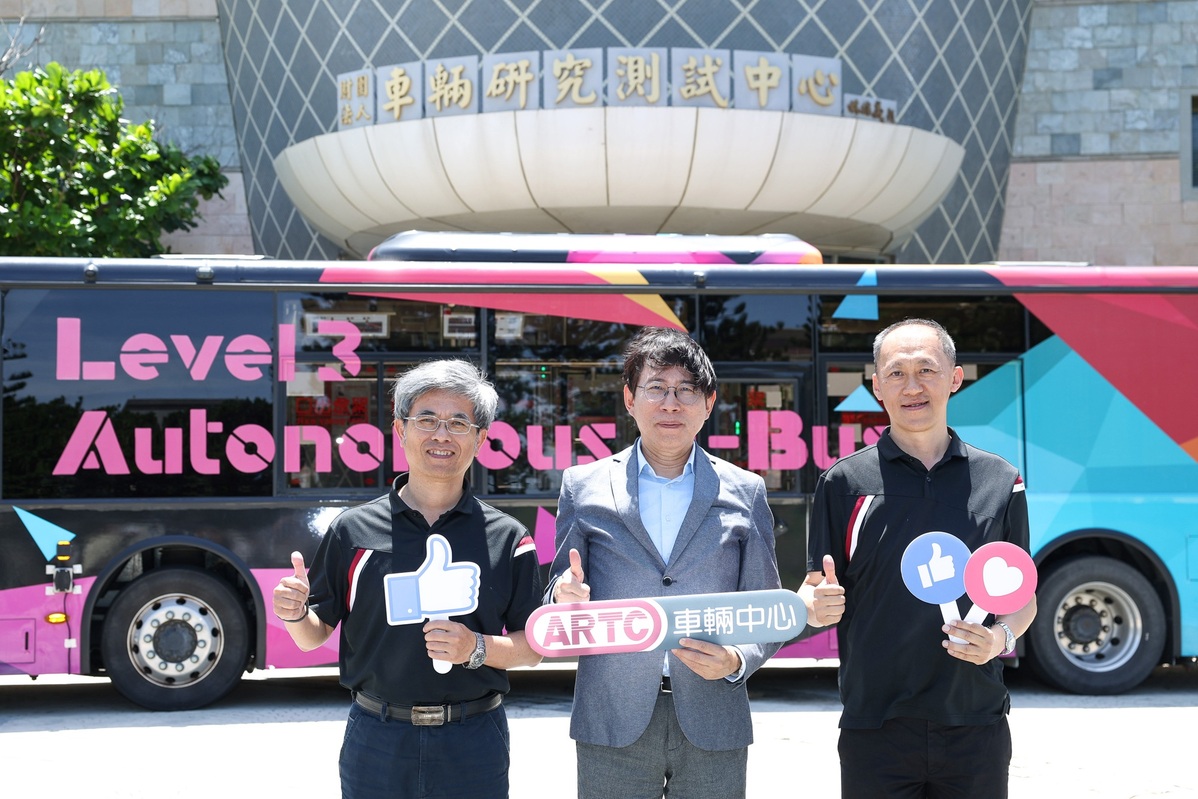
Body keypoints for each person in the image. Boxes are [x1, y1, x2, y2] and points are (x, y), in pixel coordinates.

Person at [272, 359, 543, 799]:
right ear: (400, 430)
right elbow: (312, 636)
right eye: (427, 420)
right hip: (377, 738)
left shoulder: (508, 537)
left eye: (459, 423)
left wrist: (475, 648)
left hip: (474, 740)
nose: (442, 435)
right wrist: (295, 613)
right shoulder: (352, 530)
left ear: (480, 439)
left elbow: (532, 647)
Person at [800, 318, 1037, 799]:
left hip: (976, 723)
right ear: (877, 387)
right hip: (876, 724)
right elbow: (814, 590)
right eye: (896, 373)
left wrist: (999, 639)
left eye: (926, 370)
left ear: (955, 378)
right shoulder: (842, 483)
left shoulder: (1001, 480)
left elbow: (1022, 597)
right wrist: (813, 605)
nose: (912, 387)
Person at [545, 326, 783, 799]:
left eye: (686, 390)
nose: (671, 404)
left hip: (714, 713)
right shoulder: (583, 485)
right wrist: (562, 597)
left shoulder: (746, 490)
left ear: (709, 404)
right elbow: (557, 590)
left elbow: (766, 609)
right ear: (630, 399)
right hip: (612, 715)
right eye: (656, 387)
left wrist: (737, 659)